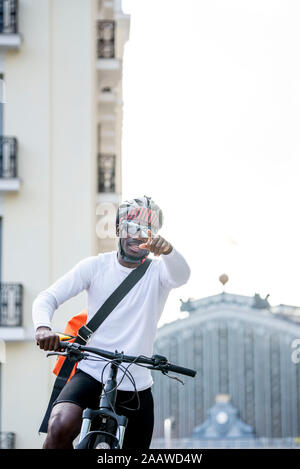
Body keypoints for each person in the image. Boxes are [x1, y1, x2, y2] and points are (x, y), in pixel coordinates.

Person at [33, 196, 191, 449]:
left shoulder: (159, 272)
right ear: (118, 230)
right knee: (60, 426)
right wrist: (43, 328)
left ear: (155, 236)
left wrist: (169, 251)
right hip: (92, 372)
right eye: (131, 227)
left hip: (137, 384)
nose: (138, 236)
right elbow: (47, 298)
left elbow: (182, 275)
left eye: (147, 230)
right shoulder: (95, 266)